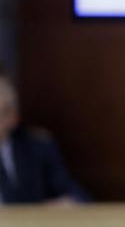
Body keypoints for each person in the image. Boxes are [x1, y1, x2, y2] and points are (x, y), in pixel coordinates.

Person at [0, 71, 88, 205]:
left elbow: (75, 195)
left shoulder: (38, 146)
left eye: (1, 113)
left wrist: (61, 205)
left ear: (14, 117)